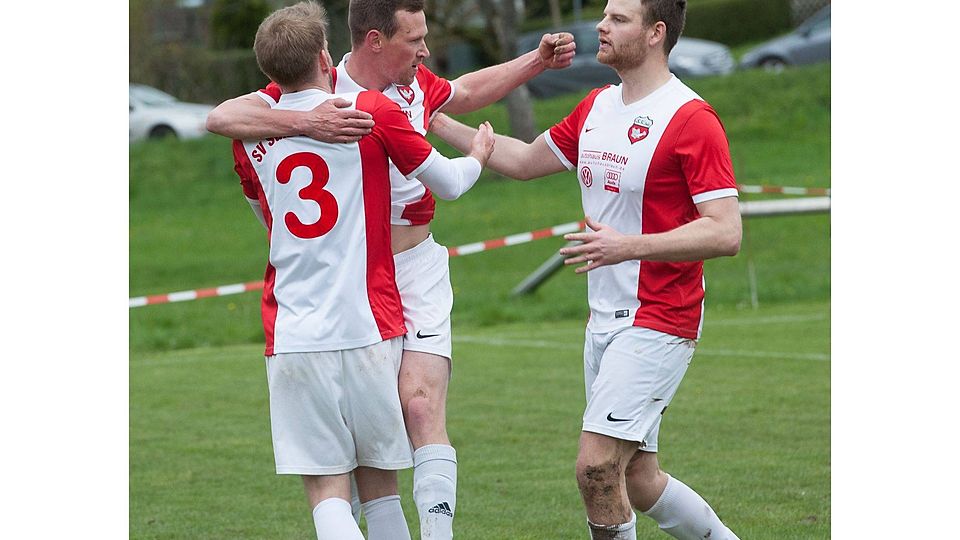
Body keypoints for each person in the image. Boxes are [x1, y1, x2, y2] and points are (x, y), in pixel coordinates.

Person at [206, 1, 576, 537]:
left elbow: (467, 91)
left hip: (324, 306)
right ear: (365, 43)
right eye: (415, 39)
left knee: (405, 425)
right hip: (365, 294)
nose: (425, 50)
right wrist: (477, 153)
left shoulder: (399, 90)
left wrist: (535, 61)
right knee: (372, 479)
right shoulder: (362, 112)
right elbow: (221, 116)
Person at [429, 0, 742, 538]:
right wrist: (431, 121)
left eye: (619, 18)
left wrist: (630, 247)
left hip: (660, 318)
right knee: (639, 479)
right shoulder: (597, 106)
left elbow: (726, 230)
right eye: (604, 14)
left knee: (596, 467)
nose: (601, 25)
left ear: (655, 33)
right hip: (603, 322)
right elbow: (525, 160)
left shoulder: (693, 120)